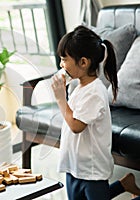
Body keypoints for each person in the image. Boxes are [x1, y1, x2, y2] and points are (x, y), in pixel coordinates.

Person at [50, 25, 138, 199]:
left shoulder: (95, 92)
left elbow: (76, 126)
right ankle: (123, 185)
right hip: (74, 166)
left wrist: (61, 99)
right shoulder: (79, 87)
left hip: (91, 170)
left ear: (83, 62)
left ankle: (125, 186)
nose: (61, 65)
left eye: (64, 59)